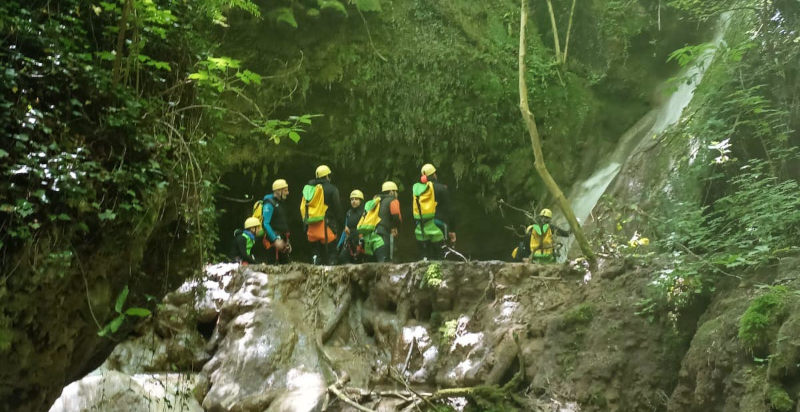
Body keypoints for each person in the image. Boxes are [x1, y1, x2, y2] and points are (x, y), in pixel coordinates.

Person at [412, 163, 456, 260]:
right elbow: (449, 210)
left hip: (422, 226)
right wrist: (452, 230)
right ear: (434, 174)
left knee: (425, 257)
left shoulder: (418, 191)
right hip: (438, 225)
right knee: (440, 256)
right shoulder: (441, 188)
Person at [301, 165, 342, 265]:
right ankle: (332, 265)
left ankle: (315, 261)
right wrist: (340, 221)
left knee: (316, 251)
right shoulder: (332, 189)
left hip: (311, 224)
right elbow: (337, 208)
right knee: (332, 250)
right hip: (327, 224)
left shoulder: (309, 189)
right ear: (327, 176)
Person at [363, 181, 402, 262]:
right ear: (391, 192)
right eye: (396, 191)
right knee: (384, 263)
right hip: (382, 236)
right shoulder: (392, 200)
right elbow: (396, 216)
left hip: (370, 236)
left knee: (372, 265)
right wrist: (395, 227)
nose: (397, 194)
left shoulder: (376, 201)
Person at [262, 178, 292, 264]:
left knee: (286, 264)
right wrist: (275, 240)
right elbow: (265, 223)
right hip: (273, 240)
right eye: (285, 190)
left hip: (282, 239)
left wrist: (287, 241)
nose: (287, 193)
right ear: (278, 191)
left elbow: (282, 223)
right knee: (273, 264)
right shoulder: (269, 204)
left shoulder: (281, 203)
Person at [337, 189, 366, 264]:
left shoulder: (365, 212)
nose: (354, 201)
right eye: (352, 199)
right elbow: (345, 229)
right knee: (342, 258)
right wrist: (340, 244)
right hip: (350, 240)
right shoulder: (349, 213)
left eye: (356, 199)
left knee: (360, 261)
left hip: (361, 241)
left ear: (361, 201)